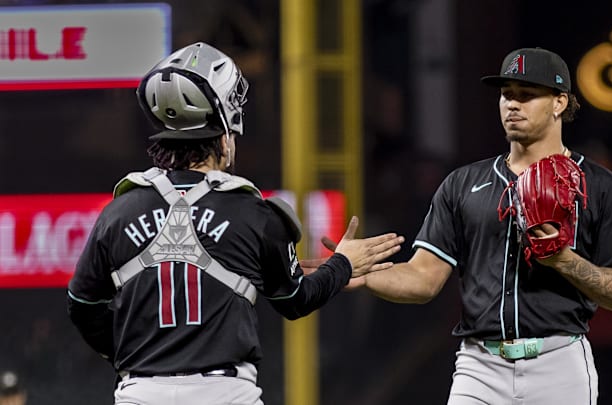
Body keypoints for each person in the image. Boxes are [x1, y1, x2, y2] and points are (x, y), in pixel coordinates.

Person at [66, 42, 404, 405]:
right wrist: (344, 263)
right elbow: (295, 299)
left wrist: (131, 355)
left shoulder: (117, 213)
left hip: (141, 392)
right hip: (226, 394)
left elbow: (82, 306)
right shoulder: (254, 213)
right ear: (224, 137)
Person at [346, 47, 612, 404]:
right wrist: (361, 274)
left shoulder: (601, 187)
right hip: (480, 367)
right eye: (506, 94)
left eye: (527, 95)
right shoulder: (462, 184)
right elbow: (423, 279)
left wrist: (564, 261)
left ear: (559, 103)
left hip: (558, 364)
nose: (512, 104)